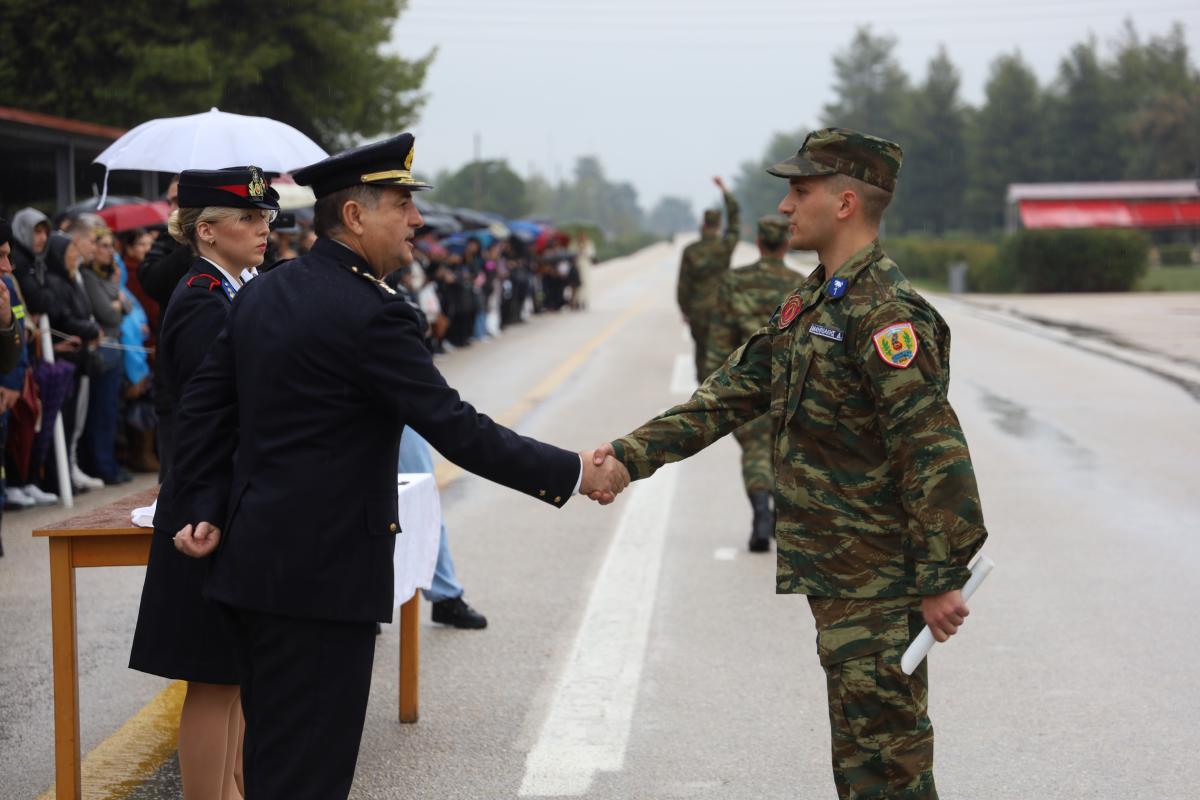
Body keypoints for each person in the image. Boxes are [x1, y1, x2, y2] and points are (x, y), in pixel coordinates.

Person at [164, 133, 628, 799]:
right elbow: (455, 427)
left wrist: (205, 504)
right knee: (310, 775)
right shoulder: (371, 313)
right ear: (354, 215)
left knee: (274, 761)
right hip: (324, 584)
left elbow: (204, 410)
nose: (416, 221)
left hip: (254, 570)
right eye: (402, 205)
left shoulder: (266, 291)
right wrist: (576, 471)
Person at [593, 128, 988, 799]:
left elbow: (931, 450)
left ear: (843, 203)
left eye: (798, 192)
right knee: (860, 764)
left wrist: (942, 576)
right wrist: (627, 458)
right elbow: (725, 398)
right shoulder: (811, 306)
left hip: (879, 586)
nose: (783, 209)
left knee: (890, 768)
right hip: (840, 582)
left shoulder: (885, 315)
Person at [130, 166, 281, 800]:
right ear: (209, 231)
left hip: (220, 505)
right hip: (201, 508)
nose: (263, 230)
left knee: (233, 675)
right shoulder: (200, 298)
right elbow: (206, 420)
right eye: (248, 219)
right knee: (212, 678)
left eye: (264, 218)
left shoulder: (232, 289)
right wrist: (208, 509)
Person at [702, 214, 800, 553]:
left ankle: (761, 510)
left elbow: (718, 338)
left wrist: (712, 383)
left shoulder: (733, 282)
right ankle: (776, 515)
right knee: (782, 453)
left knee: (756, 451)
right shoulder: (801, 286)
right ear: (786, 243)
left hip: (747, 385)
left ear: (758, 242)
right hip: (791, 387)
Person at [80, 226, 132, 485]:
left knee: (112, 410)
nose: (110, 251)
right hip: (104, 349)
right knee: (101, 411)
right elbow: (109, 312)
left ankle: (110, 463)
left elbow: (127, 305)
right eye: (103, 246)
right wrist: (117, 299)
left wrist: (117, 299)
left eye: (112, 246)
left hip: (115, 346)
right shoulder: (89, 276)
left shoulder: (110, 275)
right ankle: (104, 467)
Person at [677, 176, 740, 382]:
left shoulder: (691, 251)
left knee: (701, 352)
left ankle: (701, 392)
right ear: (718, 224)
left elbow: (683, 285)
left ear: (703, 224)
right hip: (720, 309)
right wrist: (725, 191)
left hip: (698, 310)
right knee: (721, 356)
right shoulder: (724, 247)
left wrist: (685, 310)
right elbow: (735, 222)